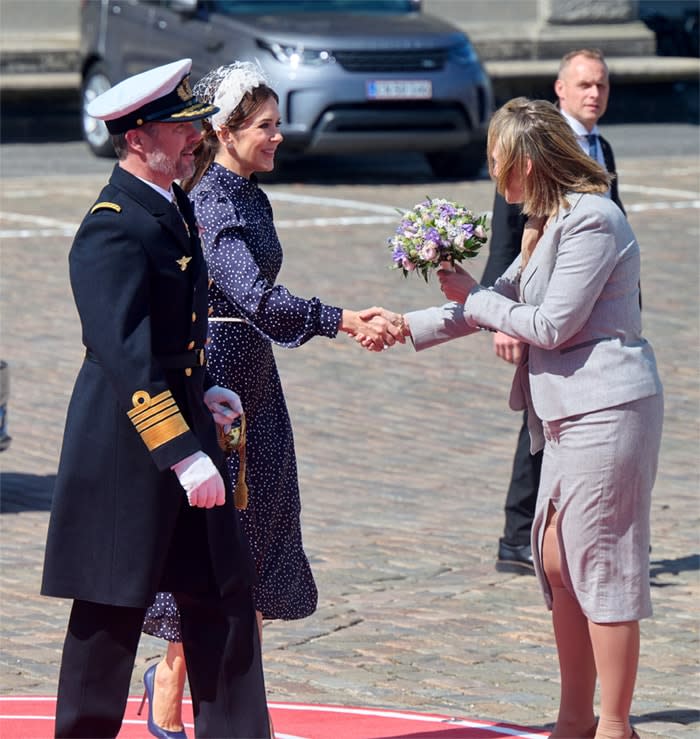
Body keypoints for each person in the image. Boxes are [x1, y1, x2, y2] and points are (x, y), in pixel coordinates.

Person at [373, 97, 663, 739]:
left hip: (608, 407)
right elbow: (496, 301)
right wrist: (404, 326)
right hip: (564, 412)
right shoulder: (546, 220)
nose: (494, 175)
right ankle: (572, 719)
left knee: (600, 565)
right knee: (557, 562)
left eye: (499, 163)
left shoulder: (593, 220)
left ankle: (615, 725)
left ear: (529, 162)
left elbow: (552, 325)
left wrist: (472, 296)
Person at [140, 61, 404, 737]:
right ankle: (173, 691)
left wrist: (341, 320)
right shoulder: (215, 202)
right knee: (216, 537)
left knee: (259, 526)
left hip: (255, 375)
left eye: (279, 125)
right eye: (266, 126)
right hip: (218, 381)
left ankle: (219, 690)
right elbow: (255, 297)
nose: (278, 137)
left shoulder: (253, 195)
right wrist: (343, 318)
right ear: (227, 132)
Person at [40, 59, 271, 739]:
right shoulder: (112, 226)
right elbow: (126, 356)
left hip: (186, 428)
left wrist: (207, 389)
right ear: (138, 138)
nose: (194, 139)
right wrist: (183, 453)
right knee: (108, 618)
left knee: (225, 603)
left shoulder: (168, 207)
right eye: (179, 128)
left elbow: (175, 335)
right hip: (128, 451)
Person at [483, 48, 626, 575]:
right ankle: (521, 535)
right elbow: (509, 244)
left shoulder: (597, 153)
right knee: (537, 425)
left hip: (585, 327)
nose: (594, 94)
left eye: (602, 86)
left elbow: (607, 227)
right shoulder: (531, 147)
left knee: (552, 426)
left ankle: (553, 536)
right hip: (539, 313)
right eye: (584, 85)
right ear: (560, 88)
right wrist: (498, 314)